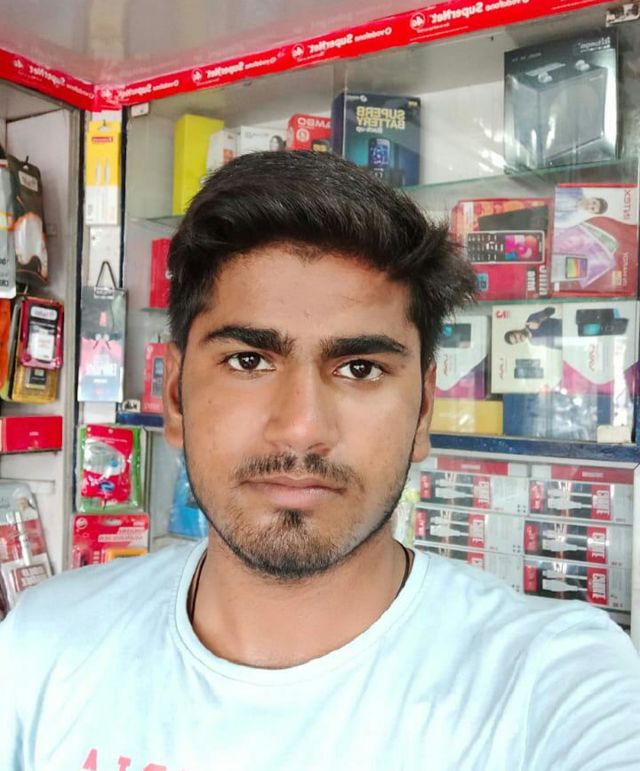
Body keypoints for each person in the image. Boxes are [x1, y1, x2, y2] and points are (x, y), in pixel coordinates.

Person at [1, 152, 639, 771]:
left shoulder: (552, 680)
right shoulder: (45, 639)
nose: (302, 428)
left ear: (423, 410)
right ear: (174, 398)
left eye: (360, 368)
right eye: (248, 361)